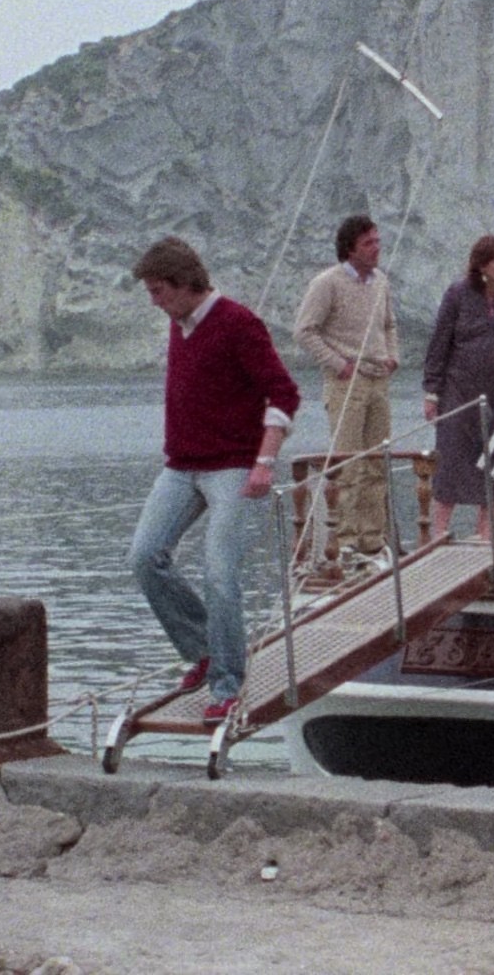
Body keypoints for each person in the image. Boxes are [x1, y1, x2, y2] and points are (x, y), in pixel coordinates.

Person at [127, 236, 300, 726]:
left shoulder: (238, 323)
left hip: (234, 467)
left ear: (185, 283)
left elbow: (284, 393)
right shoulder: (179, 324)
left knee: (220, 572)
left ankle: (226, 684)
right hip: (181, 466)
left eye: (158, 290)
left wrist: (264, 461)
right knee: (144, 557)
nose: (154, 301)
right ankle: (203, 648)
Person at [293, 215, 400, 563]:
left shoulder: (381, 282)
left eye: (377, 241)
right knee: (349, 463)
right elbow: (304, 330)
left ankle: (373, 539)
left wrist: (392, 355)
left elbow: (389, 324)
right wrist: (339, 364)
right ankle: (349, 540)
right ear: (350, 249)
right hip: (346, 382)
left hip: (378, 378)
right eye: (369, 243)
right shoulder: (327, 284)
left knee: (377, 462)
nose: (377, 248)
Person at [422, 235, 494, 540]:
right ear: (482, 264)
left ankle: (485, 532)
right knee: (451, 458)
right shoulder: (457, 294)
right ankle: (439, 532)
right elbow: (439, 345)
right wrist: (431, 392)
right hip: (458, 392)